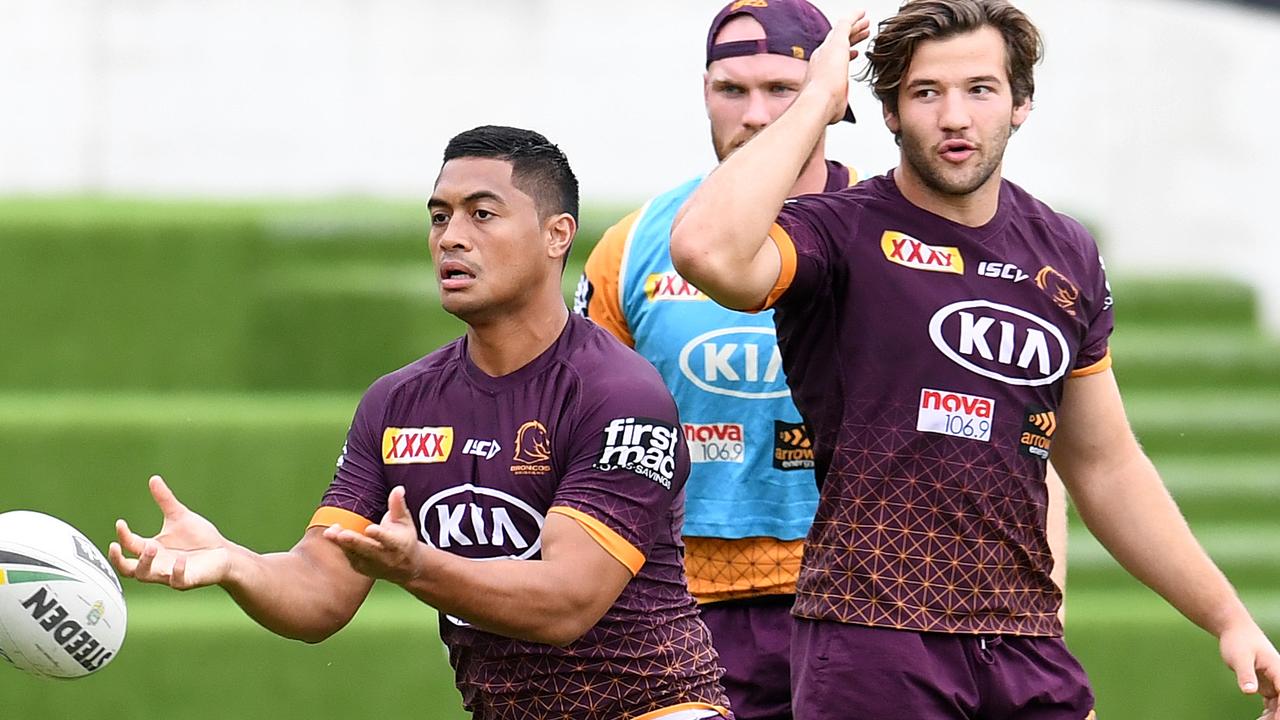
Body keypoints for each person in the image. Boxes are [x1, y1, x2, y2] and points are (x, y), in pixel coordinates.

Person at [669, 2, 1280, 719]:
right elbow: (707, 251)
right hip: (872, 636)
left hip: (1025, 641)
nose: (954, 116)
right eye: (926, 93)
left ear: (1021, 103)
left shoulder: (1066, 251)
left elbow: (1105, 464)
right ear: (889, 113)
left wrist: (1227, 616)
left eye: (980, 89)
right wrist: (814, 102)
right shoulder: (838, 231)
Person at [109, 125, 732, 720]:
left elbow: (566, 601)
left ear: (557, 234)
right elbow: (320, 594)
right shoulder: (397, 402)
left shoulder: (620, 393)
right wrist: (234, 563)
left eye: (481, 214)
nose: (451, 238)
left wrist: (417, 567)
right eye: (440, 216)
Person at [580, 2, 1067, 717]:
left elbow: (1021, 446)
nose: (756, 115)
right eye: (732, 90)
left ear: (831, 97)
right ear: (703, 92)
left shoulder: (898, 229)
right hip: (679, 604)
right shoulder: (635, 246)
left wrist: (1039, 613)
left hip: (866, 599)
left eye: (785, 90)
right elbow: (582, 441)